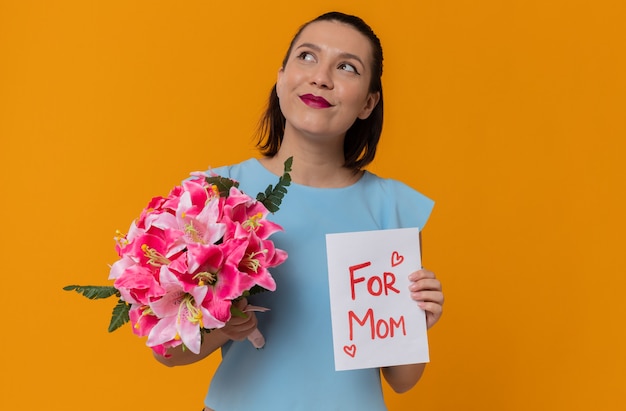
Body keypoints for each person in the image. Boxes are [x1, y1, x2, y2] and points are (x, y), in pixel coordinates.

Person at [154, 11, 444, 411]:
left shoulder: (392, 207)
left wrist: (418, 321)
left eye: (346, 67)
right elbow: (167, 351)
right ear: (280, 78)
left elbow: (402, 380)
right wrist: (226, 325)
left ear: (368, 102)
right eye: (307, 57)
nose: (321, 77)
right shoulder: (216, 193)